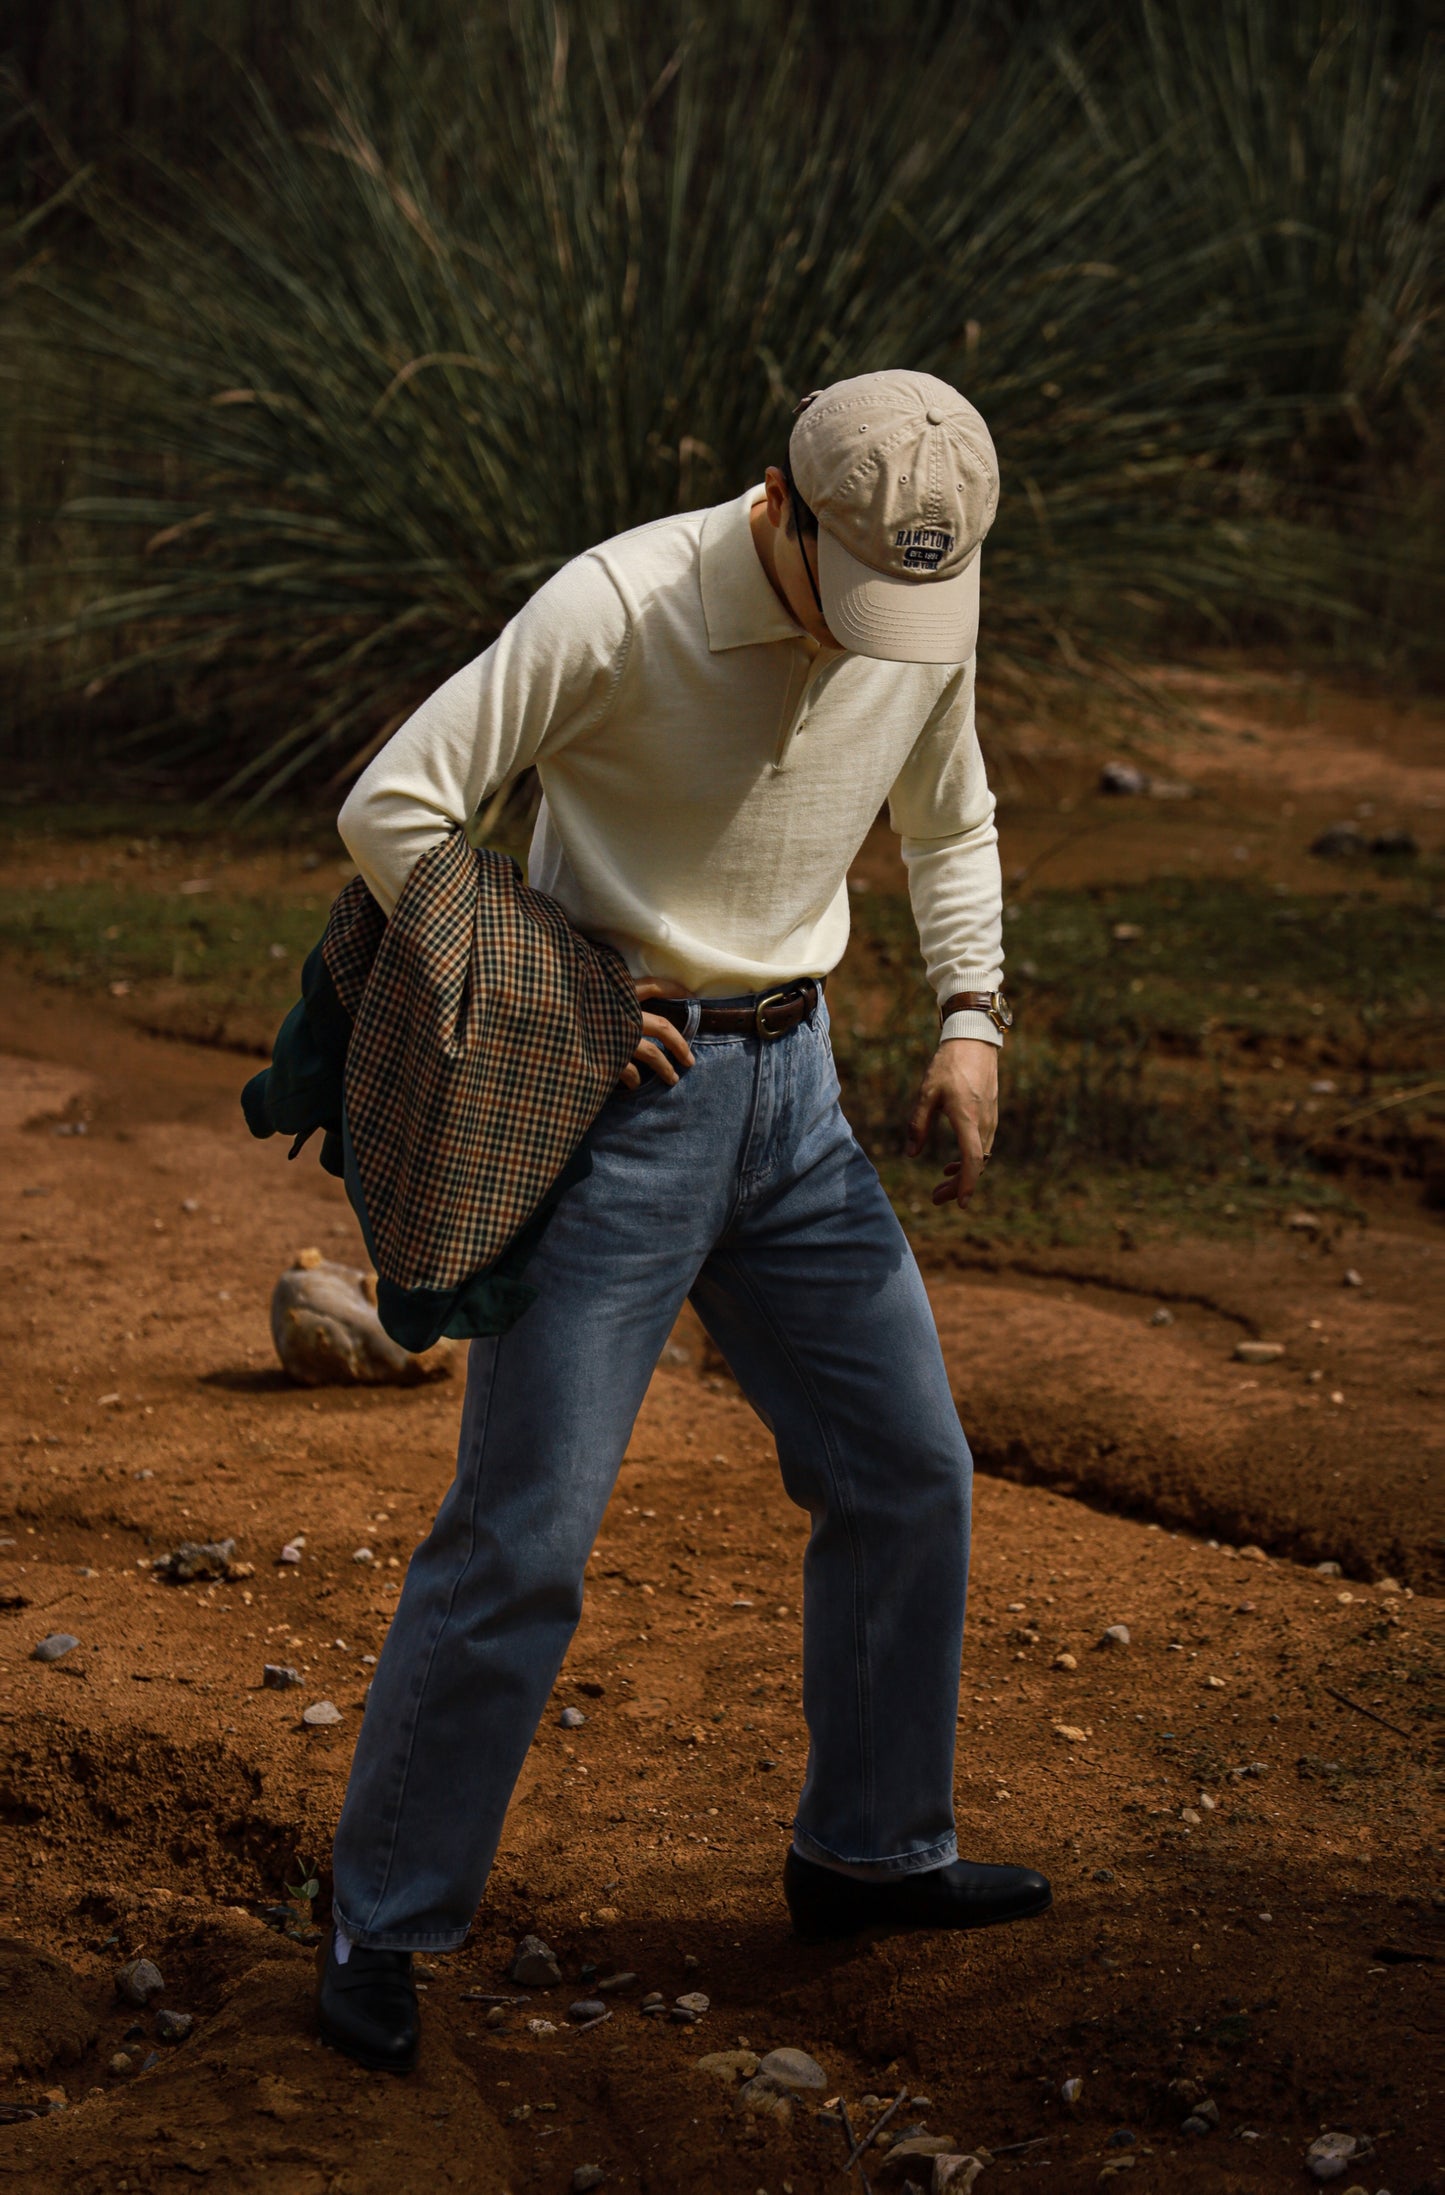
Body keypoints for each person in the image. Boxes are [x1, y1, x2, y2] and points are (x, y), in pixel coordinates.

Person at [316, 369, 1050, 2074]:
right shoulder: (615, 603)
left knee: (906, 1473)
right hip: (612, 1125)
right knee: (526, 1543)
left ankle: (869, 1852)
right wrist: (554, 986)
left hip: (797, 1113)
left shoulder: (916, 588)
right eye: (847, 582)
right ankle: (383, 1913)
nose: (880, 627)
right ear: (778, 507)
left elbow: (951, 813)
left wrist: (968, 1016)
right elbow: (392, 808)